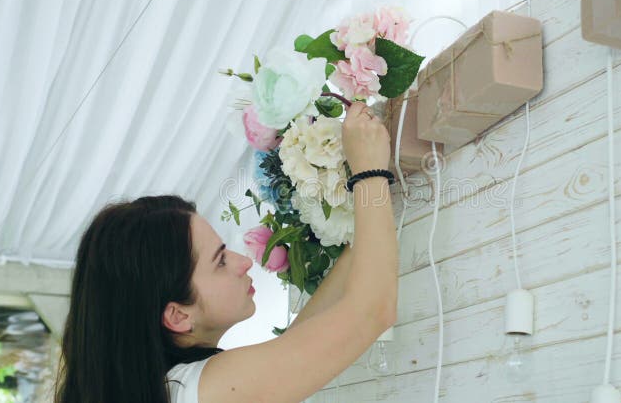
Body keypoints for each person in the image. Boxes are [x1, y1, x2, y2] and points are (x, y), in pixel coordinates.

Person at [55, 100, 398, 403]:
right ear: (177, 316)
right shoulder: (198, 389)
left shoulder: (175, 388)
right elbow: (371, 313)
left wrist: (370, 221)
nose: (244, 261)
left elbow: (297, 346)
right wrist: (370, 173)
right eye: (219, 261)